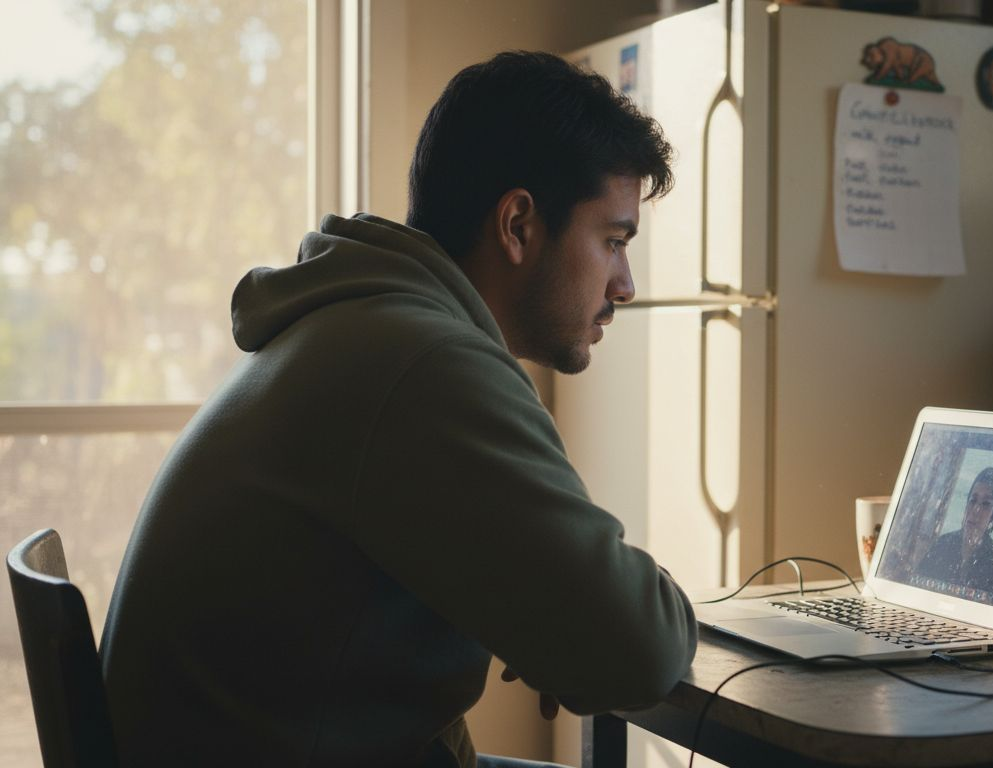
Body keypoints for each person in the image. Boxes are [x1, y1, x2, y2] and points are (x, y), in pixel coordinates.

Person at [100, 51, 696, 768]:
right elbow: (636, 650)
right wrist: (599, 624)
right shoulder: (426, 365)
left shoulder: (367, 326)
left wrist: (551, 617)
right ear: (517, 225)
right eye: (613, 241)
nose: (625, 284)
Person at [916, 467, 993, 595]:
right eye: (973, 500)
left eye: (986, 504)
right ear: (966, 505)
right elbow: (917, 584)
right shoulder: (943, 543)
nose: (976, 510)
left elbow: (992, 607)